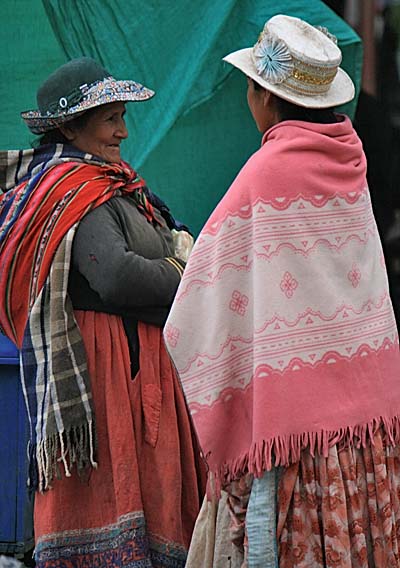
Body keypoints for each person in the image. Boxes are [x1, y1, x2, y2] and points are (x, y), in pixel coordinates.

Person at [164, 14, 400, 567]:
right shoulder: (350, 163)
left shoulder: (266, 173)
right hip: (367, 420)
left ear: (265, 98)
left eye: (250, 88)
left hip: (296, 439)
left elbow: (200, 297)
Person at [0, 57, 205, 567]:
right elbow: (116, 276)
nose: (123, 131)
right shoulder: (77, 190)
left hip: (134, 360)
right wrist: (185, 268)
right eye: (110, 119)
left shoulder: (116, 184)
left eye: (121, 116)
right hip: (106, 368)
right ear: (71, 127)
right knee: (110, 493)